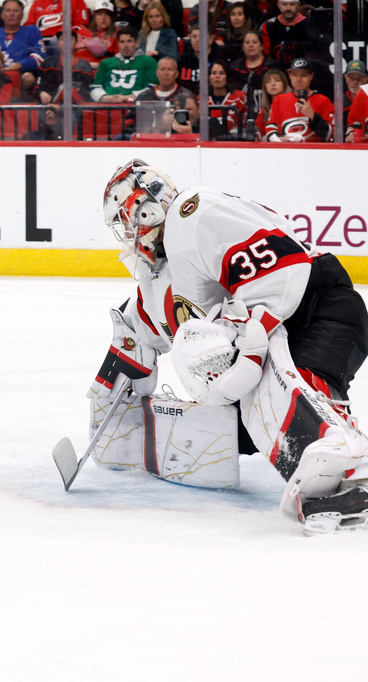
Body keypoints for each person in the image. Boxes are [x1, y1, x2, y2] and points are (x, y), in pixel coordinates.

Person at [96, 159, 368, 534]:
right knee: (235, 427)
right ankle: (335, 452)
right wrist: (109, 399)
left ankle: (348, 467)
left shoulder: (193, 214)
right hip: (282, 328)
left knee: (270, 389)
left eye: (127, 220)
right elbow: (135, 331)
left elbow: (284, 269)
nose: (128, 233)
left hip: (317, 307)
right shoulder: (161, 279)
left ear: (145, 207)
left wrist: (250, 345)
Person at [0, 0, 45, 91]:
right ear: (2, 15)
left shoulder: (31, 31)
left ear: (22, 15)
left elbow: (38, 58)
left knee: (28, 78)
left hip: (18, 77)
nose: (12, 14)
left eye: (16, 11)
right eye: (8, 10)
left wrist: (16, 66)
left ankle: (13, 99)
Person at [265, 57, 332, 142]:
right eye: (295, 75)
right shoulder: (279, 100)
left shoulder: (323, 101)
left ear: (311, 76)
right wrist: (278, 139)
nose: (299, 79)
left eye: (304, 75)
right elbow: (271, 127)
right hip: (287, 152)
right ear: (289, 76)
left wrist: (313, 115)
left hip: (313, 153)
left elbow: (331, 135)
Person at [90, 26, 157, 102]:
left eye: (129, 41)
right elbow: (95, 86)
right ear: (118, 44)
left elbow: (153, 86)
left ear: (137, 43)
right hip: (107, 107)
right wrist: (105, 98)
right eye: (122, 42)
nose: (126, 45)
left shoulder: (149, 61)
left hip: (136, 107)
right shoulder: (105, 63)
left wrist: (131, 97)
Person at [231, 30, 278, 133]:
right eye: (247, 43)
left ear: (262, 46)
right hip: (242, 116)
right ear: (243, 47)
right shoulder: (234, 67)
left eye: (254, 42)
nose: (251, 45)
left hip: (267, 113)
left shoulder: (273, 67)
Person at [259, 0, 312, 66]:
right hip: (276, 70)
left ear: (298, 5)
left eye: (292, 4)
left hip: (304, 69)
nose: (288, 8)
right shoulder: (268, 26)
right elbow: (265, 55)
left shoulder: (310, 25)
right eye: (284, 4)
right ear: (278, 5)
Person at [207, 59, 245, 137]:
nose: (217, 76)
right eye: (214, 73)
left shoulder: (239, 97)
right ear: (209, 77)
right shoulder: (200, 100)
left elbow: (244, 126)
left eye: (221, 73)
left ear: (227, 77)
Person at [254, 67, 289, 139]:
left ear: (284, 84)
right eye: (268, 81)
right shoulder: (264, 110)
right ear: (265, 87)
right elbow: (259, 135)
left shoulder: (294, 105)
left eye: (277, 80)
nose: (273, 84)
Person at [84, 0, 117, 67]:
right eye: (100, 14)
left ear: (111, 18)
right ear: (95, 17)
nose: (103, 18)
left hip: (107, 69)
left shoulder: (117, 33)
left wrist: (98, 65)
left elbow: (118, 59)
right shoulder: (85, 33)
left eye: (107, 14)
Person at [341, 60, 367, 140]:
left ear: (366, 79)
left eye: (359, 78)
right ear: (345, 78)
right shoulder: (340, 102)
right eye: (351, 78)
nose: (355, 82)